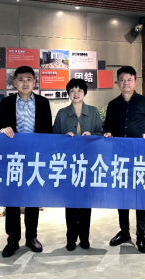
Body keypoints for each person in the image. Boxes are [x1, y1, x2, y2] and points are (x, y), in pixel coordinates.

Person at [0, 66, 53, 257]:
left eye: (29, 79)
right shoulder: (7, 102)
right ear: (15, 82)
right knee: (12, 199)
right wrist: (3, 129)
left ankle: (31, 237)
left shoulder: (43, 102)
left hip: (35, 158)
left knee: (32, 199)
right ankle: (13, 239)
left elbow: (48, 131)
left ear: (34, 82)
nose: (25, 82)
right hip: (13, 158)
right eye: (21, 79)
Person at [103, 66, 145, 254]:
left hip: (140, 156)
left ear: (135, 81)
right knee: (122, 195)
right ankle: (124, 231)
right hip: (119, 156)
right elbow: (107, 126)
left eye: (129, 79)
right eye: (122, 79)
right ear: (117, 83)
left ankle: (141, 235)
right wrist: (107, 133)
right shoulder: (112, 105)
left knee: (140, 196)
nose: (125, 83)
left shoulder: (144, 102)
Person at [53, 78, 104, 252]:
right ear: (68, 93)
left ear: (84, 93)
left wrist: (92, 135)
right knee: (71, 203)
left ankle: (84, 237)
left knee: (85, 202)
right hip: (68, 164)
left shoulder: (93, 111)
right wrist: (63, 137)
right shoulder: (62, 113)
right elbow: (54, 136)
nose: (76, 93)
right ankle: (71, 238)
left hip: (88, 163)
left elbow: (100, 133)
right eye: (72, 90)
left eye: (79, 90)